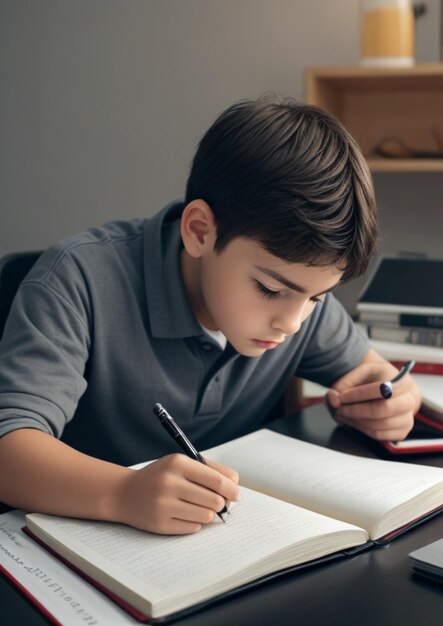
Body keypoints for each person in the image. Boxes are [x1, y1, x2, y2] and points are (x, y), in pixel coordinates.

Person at [0, 96, 421, 535]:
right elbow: (9, 450)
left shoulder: (296, 297)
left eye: (318, 298)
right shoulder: (76, 279)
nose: (293, 323)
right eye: (270, 289)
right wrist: (123, 492)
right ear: (200, 230)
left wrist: (386, 398)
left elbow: (370, 372)